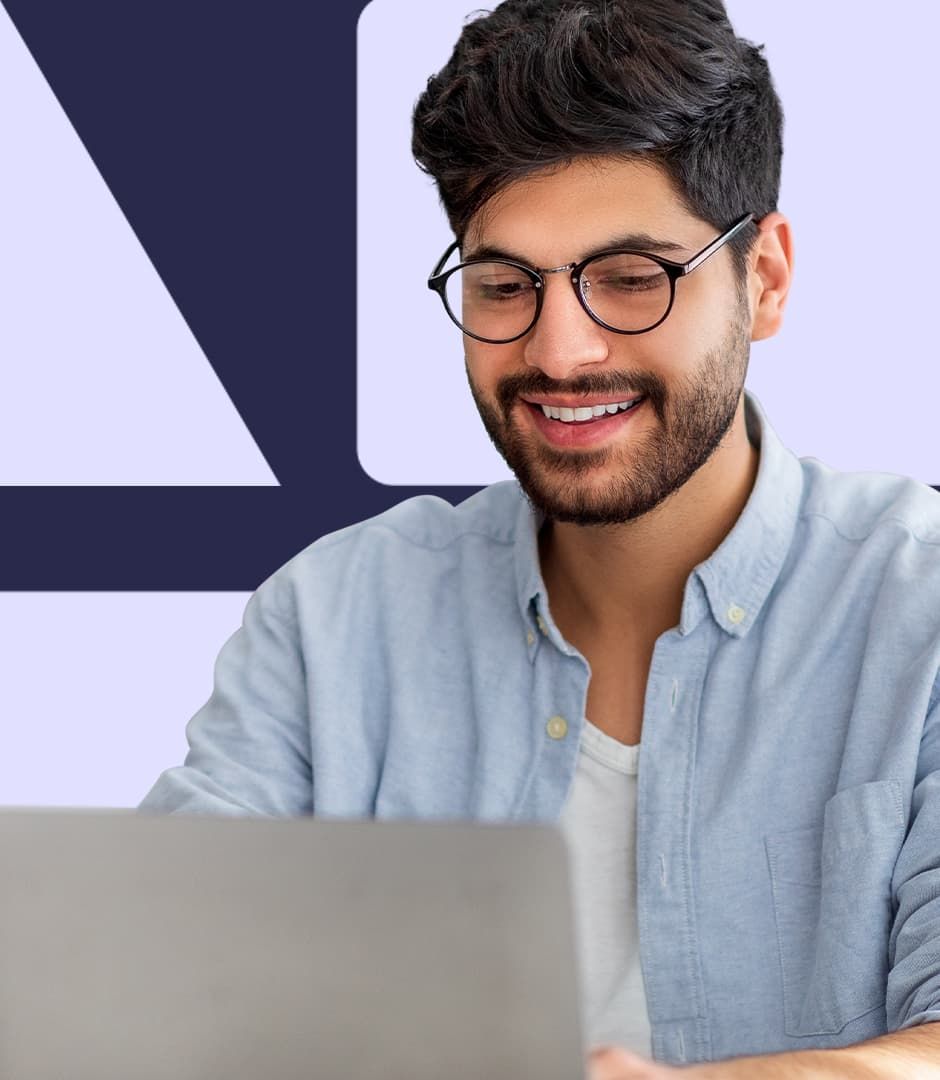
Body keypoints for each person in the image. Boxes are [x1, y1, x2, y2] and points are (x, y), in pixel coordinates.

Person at [140, 1, 940, 1075]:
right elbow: (151, 978)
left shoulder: (917, 603)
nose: (561, 353)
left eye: (630, 279)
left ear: (765, 279)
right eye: (504, 286)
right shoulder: (334, 615)